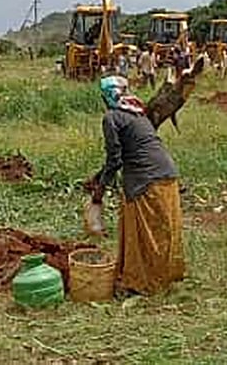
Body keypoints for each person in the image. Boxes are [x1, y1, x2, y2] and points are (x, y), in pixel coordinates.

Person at [86, 75, 184, 296]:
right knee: (160, 232)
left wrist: (98, 194)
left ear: (107, 97)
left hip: (145, 181)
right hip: (167, 175)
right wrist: (99, 176)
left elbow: (115, 160)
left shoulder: (111, 117)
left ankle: (140, 282)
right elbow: (129, 150)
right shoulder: (137, 114)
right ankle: (163, 278)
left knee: (141, 235)